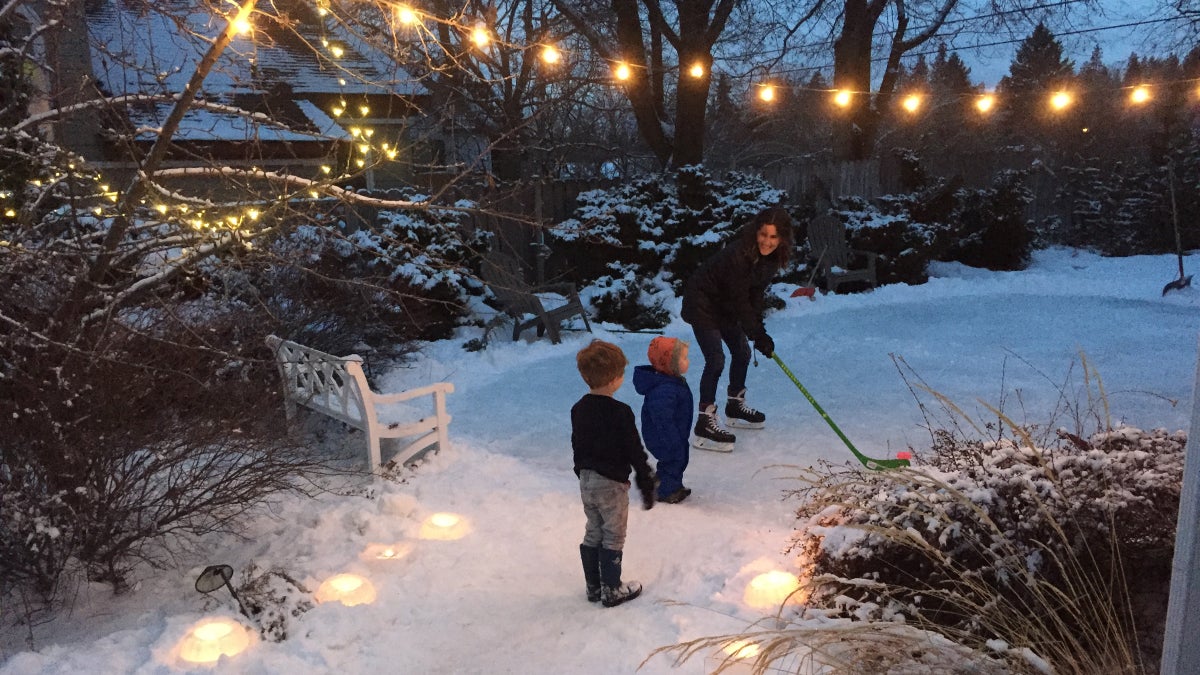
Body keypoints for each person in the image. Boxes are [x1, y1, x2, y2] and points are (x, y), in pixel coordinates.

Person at [680, 206, 794, 452]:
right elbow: (740, 299)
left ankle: (735, 404)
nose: (767, 241)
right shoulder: (739, 255)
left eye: (774, 237)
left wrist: (759, 331)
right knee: (716, 359)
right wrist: (757, 333)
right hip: (702, 301)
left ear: (782, 238)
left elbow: (754, 295)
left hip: (725, 303)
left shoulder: (770, 260)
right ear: (756, 232)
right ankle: (704, 421)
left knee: (742, 353)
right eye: (763, 234)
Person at [571, 339, 657, 608]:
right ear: (614, 380)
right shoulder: (620, 412)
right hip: (611, 483)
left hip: (587, 481)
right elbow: (633, 448)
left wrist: (581, 472)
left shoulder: (579, 409)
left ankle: (593, 586)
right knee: (613, 535)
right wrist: (645, 478)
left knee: (593, 530)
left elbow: (578, 444)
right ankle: (612, 589)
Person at [632, 336, 694, 504]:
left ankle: (668, 485)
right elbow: (661, 418)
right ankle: (666, 492)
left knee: (676, 460)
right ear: (670, 363)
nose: (687, 361)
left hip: (673, 434)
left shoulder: (671, 382)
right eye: (684, 358)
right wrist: (672, 439)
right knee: (674, 461)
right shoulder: (664, 390)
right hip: (666, 437)